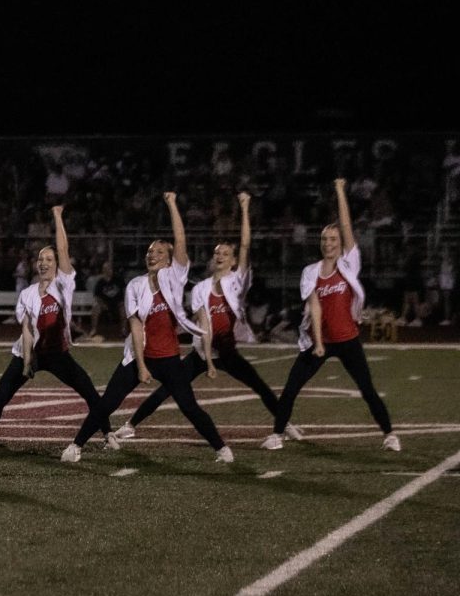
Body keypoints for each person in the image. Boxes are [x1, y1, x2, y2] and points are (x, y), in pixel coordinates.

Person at [112, 192, 302, 441]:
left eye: (225, 253)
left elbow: (245, 244)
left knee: (259, 386)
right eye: (217, 253)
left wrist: (244, 207)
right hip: (202, 352)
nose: (219, 256)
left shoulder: (237, 281)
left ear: (234, 261)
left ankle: (284, 424)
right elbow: (200, 322)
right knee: (168, 388)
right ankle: (131, 424)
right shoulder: (201, 288)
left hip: (227, 352)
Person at [61, 192, 233, 463]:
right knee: (108, 402)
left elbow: (181, 239)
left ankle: (221, 448)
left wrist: (172, 204)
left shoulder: (175, 277)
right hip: (139, 355)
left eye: (159, 252)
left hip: (168, 358)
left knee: (188, 406)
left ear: (169, 260)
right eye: (150, 251)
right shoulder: (135, 285)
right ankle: (76, 445)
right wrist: (141, 366)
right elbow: (136, 327)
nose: (153, 255)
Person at [262, 179, 399, 451]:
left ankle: (390, 435)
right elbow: (314, 305)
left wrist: (339, 192)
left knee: (367, 390)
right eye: (325, 239)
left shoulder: (349, 264)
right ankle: (277, 435)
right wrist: (319, 343)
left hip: (348, 339)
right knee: (291, 389)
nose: (329, 243)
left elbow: (347, 226)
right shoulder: (310, 272)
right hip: (318, 343)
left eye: (333, 239)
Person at [0, 206, 113, 451]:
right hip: (30, 353)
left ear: (57, 264)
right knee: (2, 393)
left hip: (57, 354)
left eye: (49, 259)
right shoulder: (27, 293)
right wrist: (26, 362)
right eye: (40, 260)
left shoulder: (63, 285)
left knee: (88, 391)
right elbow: (26, 329)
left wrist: (57, 217)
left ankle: (108, 434)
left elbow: (64, 249)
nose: (44, 263)